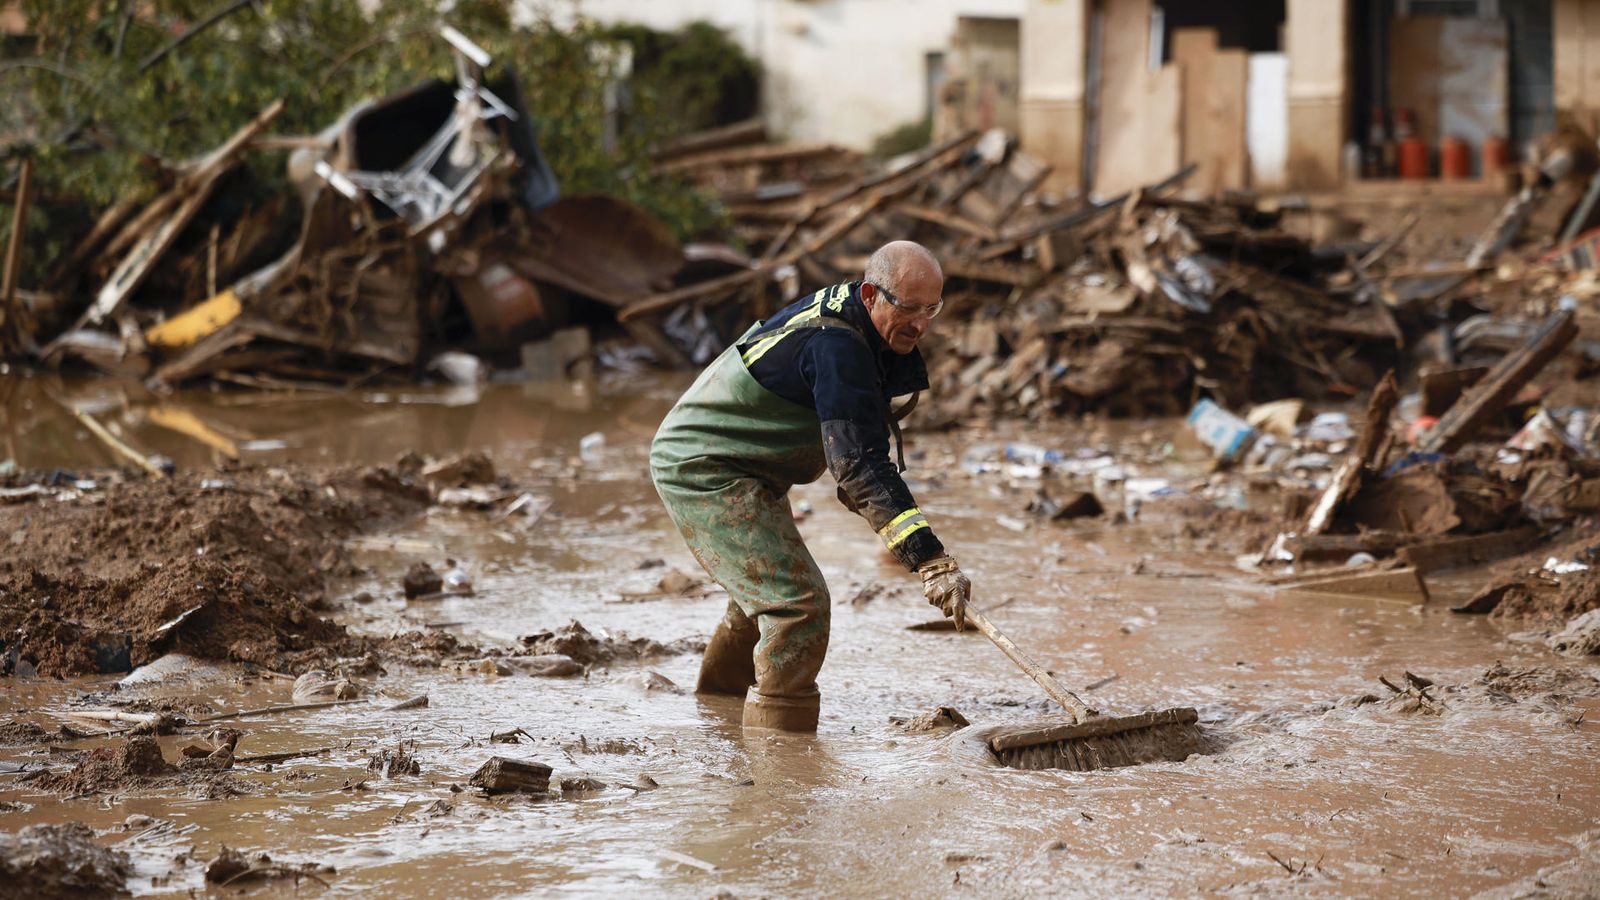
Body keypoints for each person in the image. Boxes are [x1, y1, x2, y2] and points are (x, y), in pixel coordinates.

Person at [649, 240, 972, 732]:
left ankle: (716, 712)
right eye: (908, 308)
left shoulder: (864, 321)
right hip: (705, 466)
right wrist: (929, 559)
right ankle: (781, 758)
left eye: (932, 309)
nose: (922, 324)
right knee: (797, 604)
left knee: (759, 594)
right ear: (870, 294)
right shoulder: (838, 346)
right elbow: (859, 465)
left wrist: (896, 529)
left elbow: (858, 458)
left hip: (750, 463)